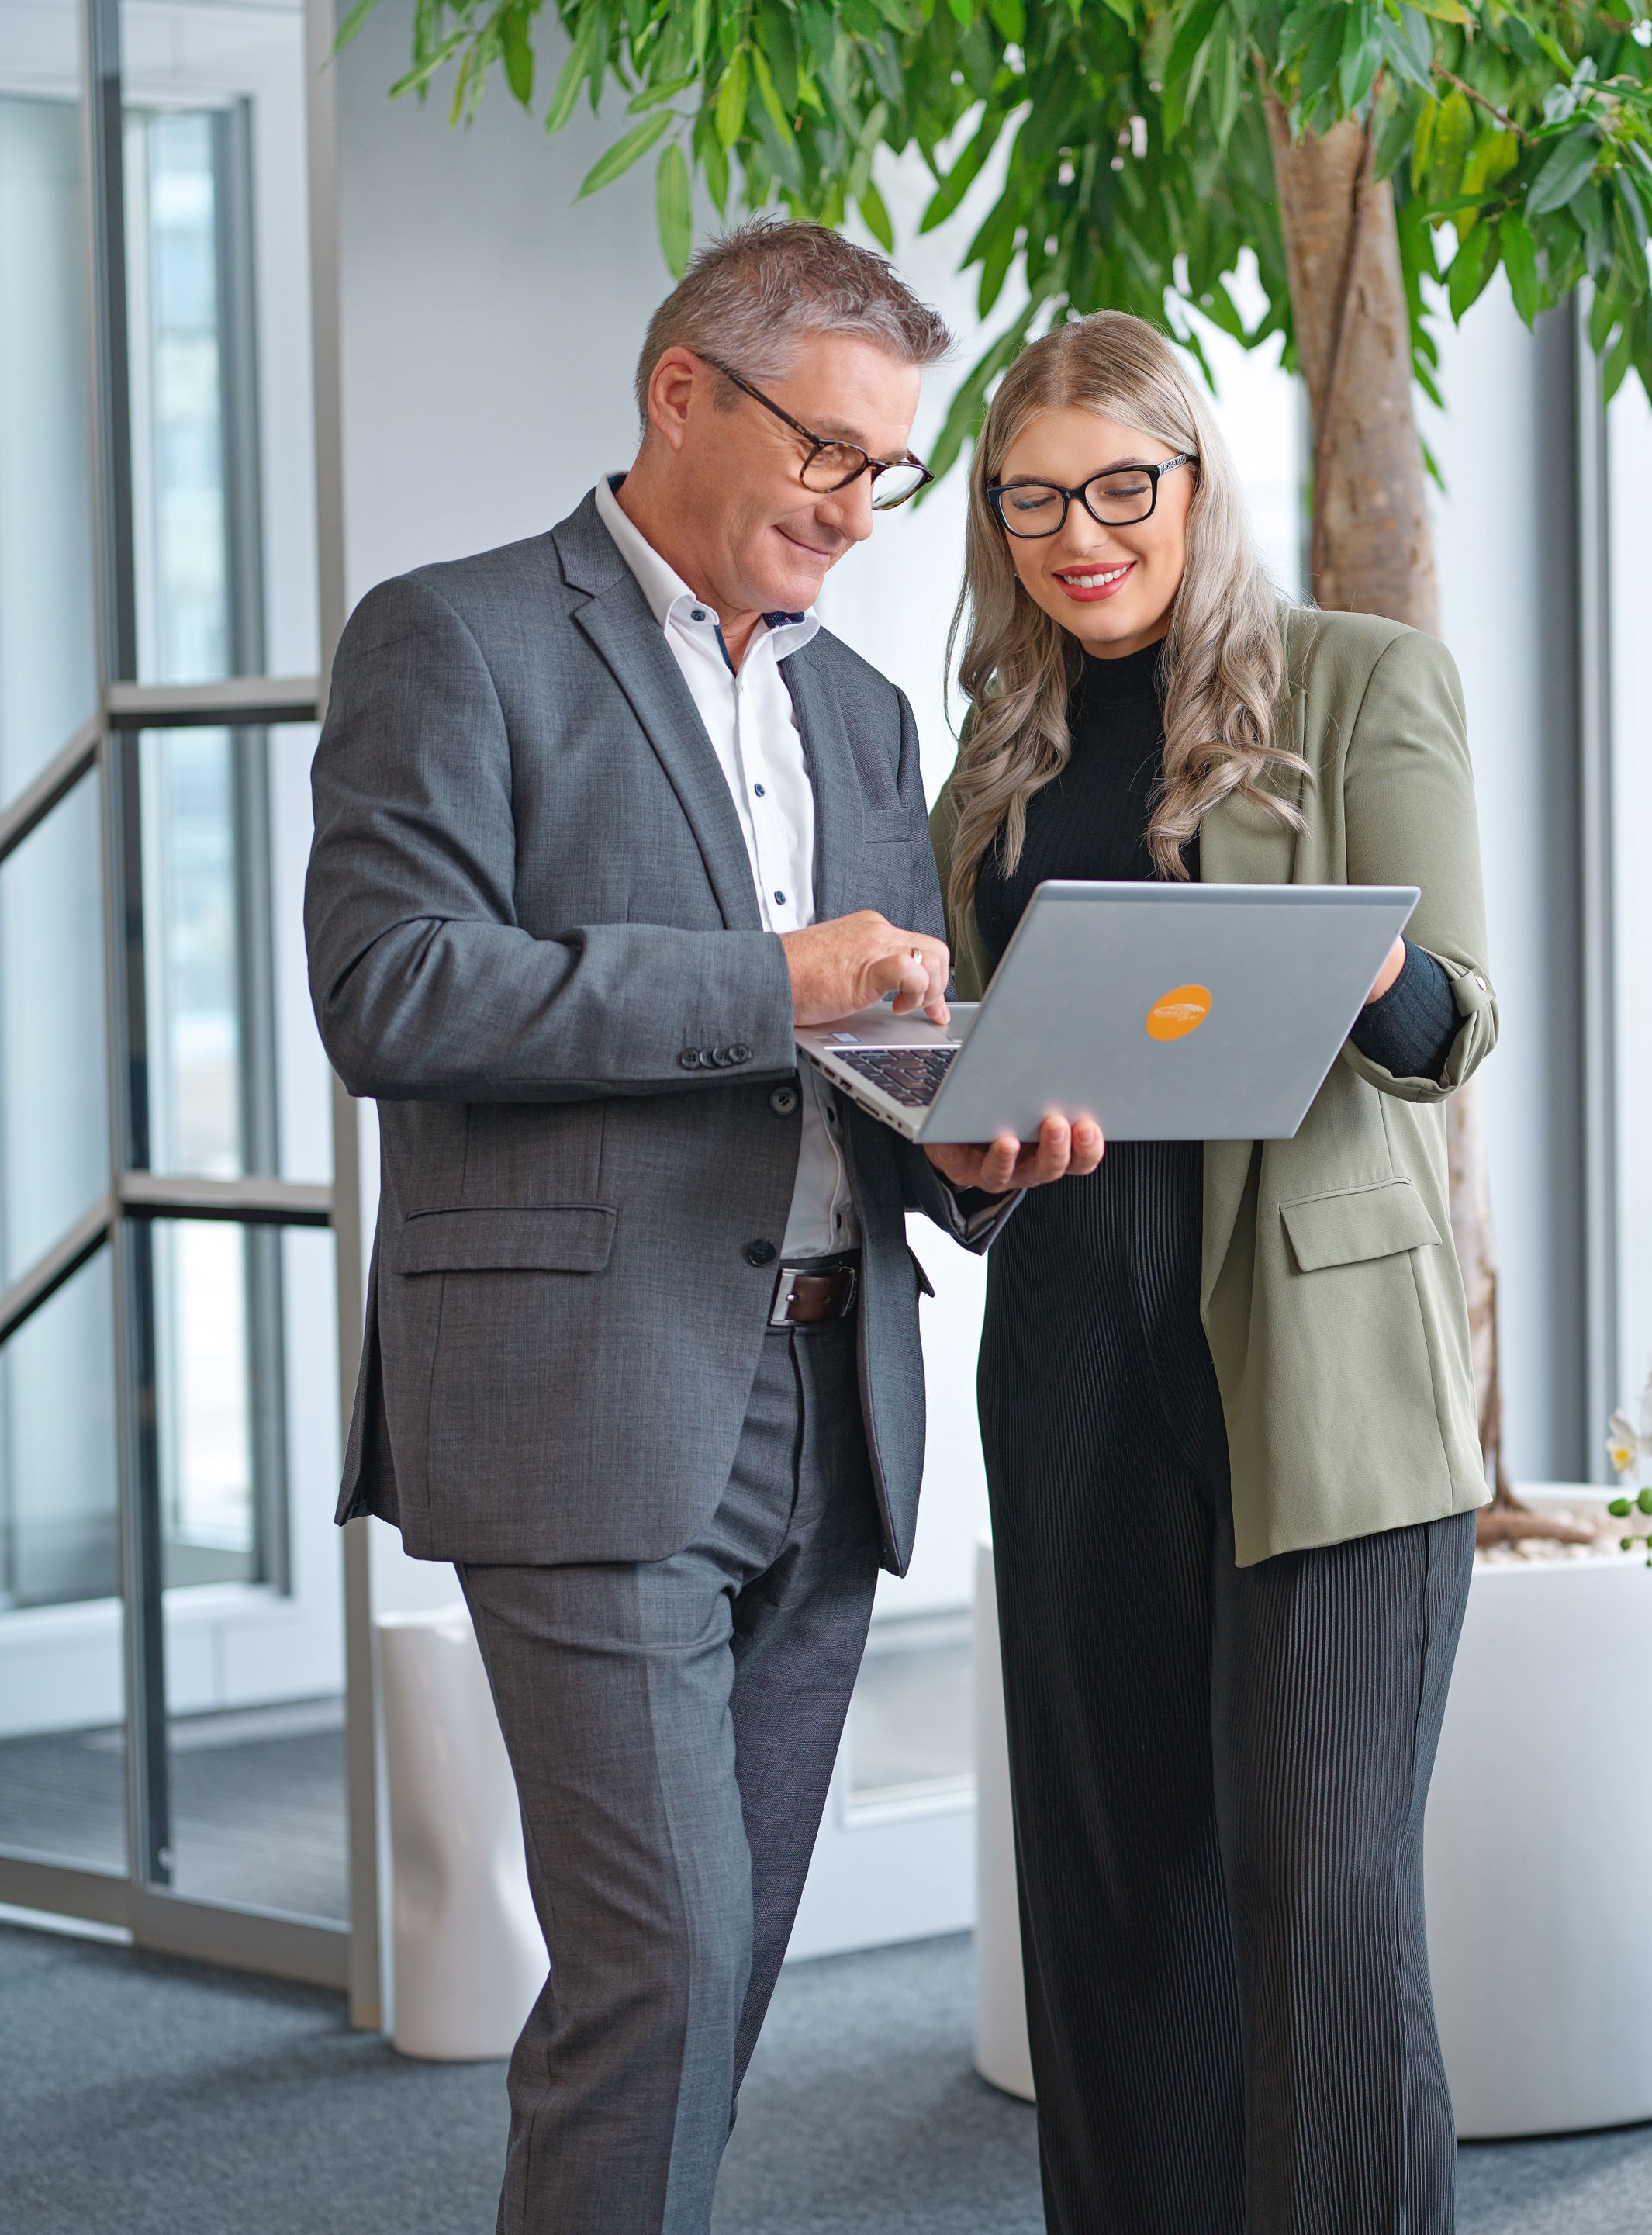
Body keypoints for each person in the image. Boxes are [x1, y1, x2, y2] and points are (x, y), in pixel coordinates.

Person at [303, 221, 1096, 2235]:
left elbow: (863, 1051)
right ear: (680, 394)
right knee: (660, 1967)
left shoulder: (865, 717)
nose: (855, 509)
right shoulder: (458, 637)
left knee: (707, 1983)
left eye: (883, 471)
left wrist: (970, 1155)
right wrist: (770, 977)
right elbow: (392, 991)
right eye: (826, 451)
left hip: (837, 1402)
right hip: (587, 1399)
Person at [932, 309, 1501, 2235]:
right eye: (1030, 501)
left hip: (1319, 1368)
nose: (1078, 535)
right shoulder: (996, 750)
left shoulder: (1359, 681)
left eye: (1120, 487)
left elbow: (1449, 1028)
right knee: (1112, 1903)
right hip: (1074, 1358)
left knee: (1323, 1896)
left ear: (1195, 480)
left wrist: (1357, 958)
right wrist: (954, 1137)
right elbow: (972, 1069)